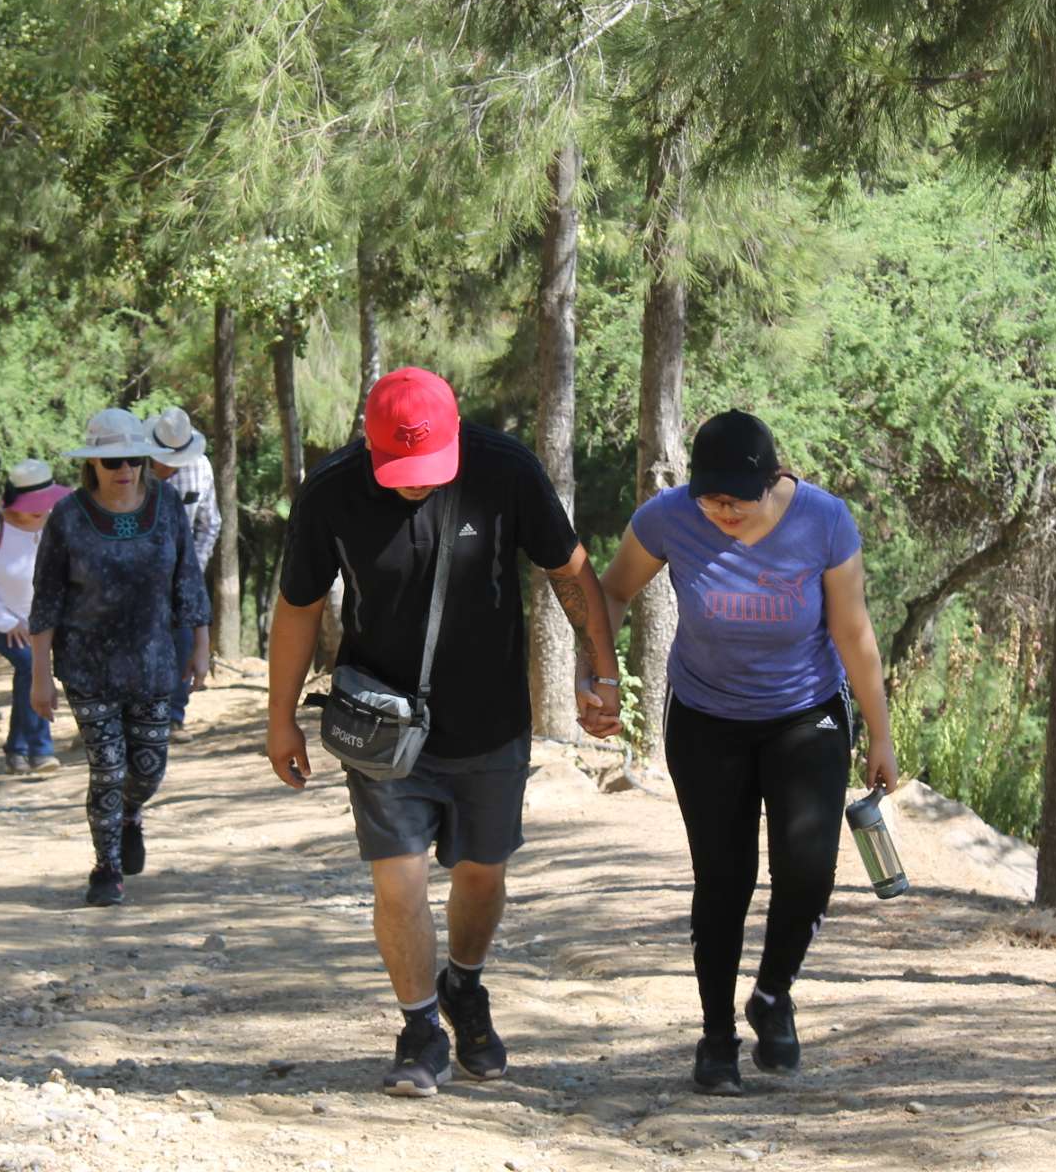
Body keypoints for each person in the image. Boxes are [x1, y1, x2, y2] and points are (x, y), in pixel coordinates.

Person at [265, 367, 624, 1098]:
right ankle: (420, 1026)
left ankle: (465, 985)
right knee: (397, 878)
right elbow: (298, 606)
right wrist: (280, 719)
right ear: (370, 446)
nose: (417, 484)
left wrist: (602, 670)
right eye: (401, 470)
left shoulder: (506, 470)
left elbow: (569, 570)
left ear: (457, 436)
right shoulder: (331, 492)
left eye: (429, 467)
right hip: (382, 726)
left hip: (491, 719)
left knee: (482, 872)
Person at [591, 409, 898, 1097]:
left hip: (805, 713)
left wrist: (879, 734)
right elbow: (612, 591)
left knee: (808, 871)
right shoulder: (668, 518)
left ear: (773, 480)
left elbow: (853, 633)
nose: (723, 512)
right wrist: (602, 675)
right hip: (706, 719)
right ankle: (716, 1038)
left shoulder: (823, 521)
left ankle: (772, 994)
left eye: (738, 500)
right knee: (723, 880)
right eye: (711, 498)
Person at [29, 408, 211, 907]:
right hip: (87, 666)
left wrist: (200, 643)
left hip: (154, 663)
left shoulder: (167, 505)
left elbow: (187, 577)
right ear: (93, 465)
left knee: (147, 770)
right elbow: (46, 598)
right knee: (107, 767)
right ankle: (106, 867)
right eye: (112, 461)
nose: (125, 469)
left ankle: (130, 812)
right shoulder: (68, 516)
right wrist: (40, 676)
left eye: (134, 459)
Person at [0, 458, 71, 774]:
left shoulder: (56, 524)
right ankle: (41, 750)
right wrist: (6, 621)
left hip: (43, 618)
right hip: (1, 618)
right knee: (31, 667)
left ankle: (16, 749)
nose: (39, 509)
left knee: (29, 673)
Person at [145, 407, 219, 735]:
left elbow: (210, 522)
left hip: (181, 573)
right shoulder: (130, 470)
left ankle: (174, 715)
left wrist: (193, 569)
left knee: (183, 641)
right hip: (136, 575)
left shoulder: (201, 468)